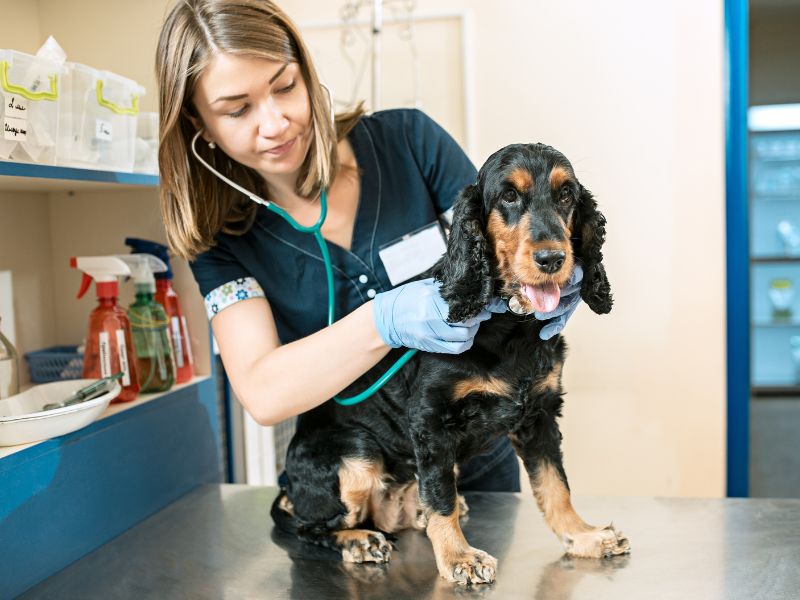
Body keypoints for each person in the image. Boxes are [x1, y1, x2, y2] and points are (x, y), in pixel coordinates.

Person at [156, 0, 582, 493]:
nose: (274, 123)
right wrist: (383, 321)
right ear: (198, 123)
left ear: (306, 72)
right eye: (237, 109)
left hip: (472, 468)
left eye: (285, 86)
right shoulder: (217, 237)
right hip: (355, 477)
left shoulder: (410, 143)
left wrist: (553, 277)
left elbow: (503, 248)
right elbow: (264, 394)